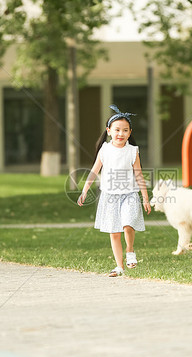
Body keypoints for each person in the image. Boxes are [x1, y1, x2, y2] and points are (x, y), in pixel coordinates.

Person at [78, 104, 151, 277]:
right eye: (117, 130)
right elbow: (94, 171)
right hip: (109, 196)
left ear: (130, 132)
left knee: (128, 224)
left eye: (125, 130)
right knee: (115, 232)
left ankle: (130, 251)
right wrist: (85, 190)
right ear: (109, 131)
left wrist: (146, 198)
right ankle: (119, 267)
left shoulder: (133, 151)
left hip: (130, 194)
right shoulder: (105, 149)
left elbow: (139, 175)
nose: (121, 134)